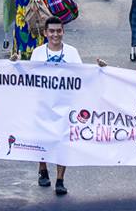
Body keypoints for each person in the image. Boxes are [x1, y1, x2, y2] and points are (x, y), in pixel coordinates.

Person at [26, 16, 101, 196]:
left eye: (58, 31)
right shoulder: (37, 53)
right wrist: (13, 66)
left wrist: (100, 70)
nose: (55, 34)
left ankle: (60, 180)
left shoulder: (72, 52)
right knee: (42, 140)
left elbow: (82, 76)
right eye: (51, 31)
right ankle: (43, 169)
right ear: (45, 33)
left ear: (63, 32)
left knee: (63, 142)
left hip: (65, 105)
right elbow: (27, 77)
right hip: (43, 104)